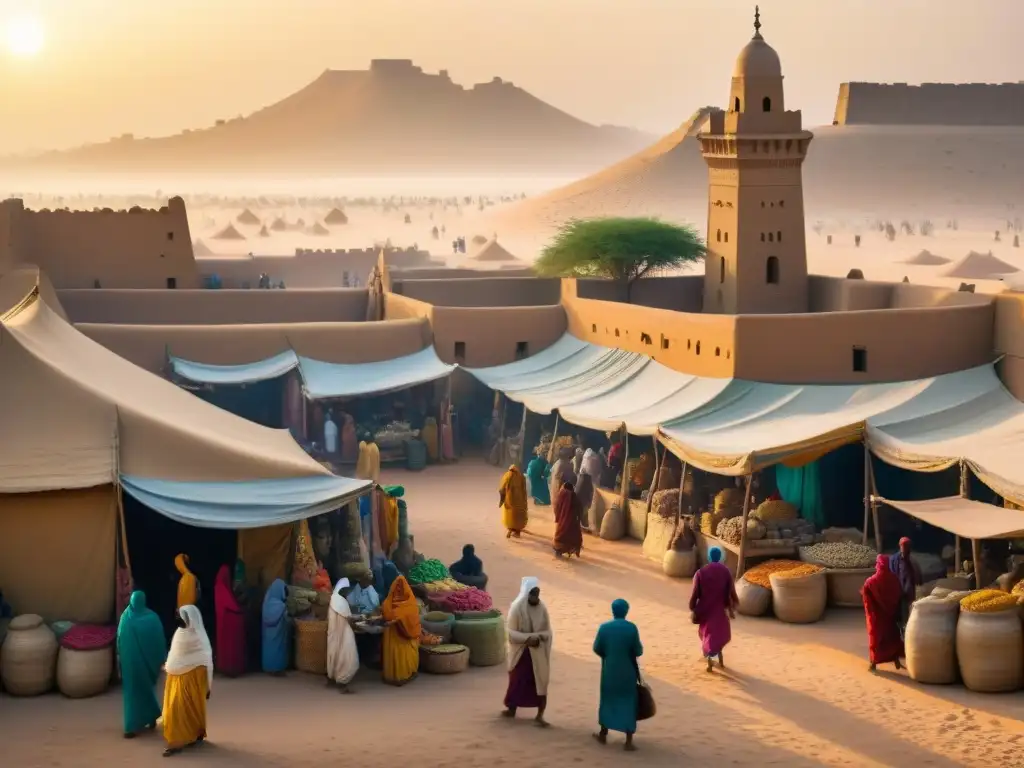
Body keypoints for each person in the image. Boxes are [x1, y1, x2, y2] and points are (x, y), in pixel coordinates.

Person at [593, 599, 644, 752]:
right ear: (626, 611)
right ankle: (628, 741)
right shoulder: (631, 628)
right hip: (627, 672)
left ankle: (603, 733)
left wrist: (607, 655)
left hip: (609, 671)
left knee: (607, 699)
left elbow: (597, 648)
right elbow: (638, 651)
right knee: (628, 702)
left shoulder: (604, 627)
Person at [162, 605, 213, 757]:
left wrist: (208, 687)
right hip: (176, 678)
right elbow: (173, 656)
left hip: (193, 679)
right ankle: (175, 742)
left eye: (182, 616)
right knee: (175, 710)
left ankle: (195, 734)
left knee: (193, 709)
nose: (179, 619)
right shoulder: (179, 633)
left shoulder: (199, 637)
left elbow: (207, 662)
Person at [117, 591, 167, 739]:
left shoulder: (125, 618)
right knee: (145, 689)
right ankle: (146, 719)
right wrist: (158, 659)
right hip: (146, 665)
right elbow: (158, 642)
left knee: (132, 693)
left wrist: (120, 658)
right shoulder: (151, 618)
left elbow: (119, 639)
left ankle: (132, 726)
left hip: (129, 664)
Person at [502, 577, 552, 726]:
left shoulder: (542, 608)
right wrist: (527, 639)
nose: (535, 598)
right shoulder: (517, 608)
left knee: (541, 683)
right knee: (517, 681)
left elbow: (548, 632)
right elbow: (510, 633)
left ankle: (540, 715)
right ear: (527, 593)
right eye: (533, 594)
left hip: (538, 653)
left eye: (537, 595)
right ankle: (511, 709)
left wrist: (539, 638)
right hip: (521, 653)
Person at [689, 546, 739, 672]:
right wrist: (732, 605)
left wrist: (693, 607)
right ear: (721, 557)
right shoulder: (726, 571)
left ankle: (709, 659)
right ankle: (718, 658)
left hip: (705, 610)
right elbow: (731, 591)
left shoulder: (701, 572)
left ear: (709, 557)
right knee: (719, 634)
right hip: (719, 610)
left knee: (707, 634)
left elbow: (695, 593)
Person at [863, 553, 904, 672]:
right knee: (892, 638)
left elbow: (866, 597)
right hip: (890, 617)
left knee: (876, 639)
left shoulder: (871, 581)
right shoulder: (895, 579)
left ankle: (873, 664)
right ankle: (895, 660)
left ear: (879, 564)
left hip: (877, 617)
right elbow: (899, 595)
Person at [380, 574, 420, 686]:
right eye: (397, 587)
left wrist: (394, 619)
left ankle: (393, 676)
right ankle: (402, 676)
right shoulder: (409, 603)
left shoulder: (407, 604)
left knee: (396, 654)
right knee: (402, 654)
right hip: (398, 635)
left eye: (400, 587)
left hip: (394, 634)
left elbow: (390, 613)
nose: (399, 589)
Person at [326, 578, 360, 693]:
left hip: (334, 633)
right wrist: (358, 623)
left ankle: (332, 677)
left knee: (334, 654)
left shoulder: (333, 599)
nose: (347, 592)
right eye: (345, 590)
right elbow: (348, 618)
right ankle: (342, 682)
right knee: (348, 657)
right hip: (344, 633)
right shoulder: (341, 601)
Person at [213, 565, 246, 677]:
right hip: (225, 621)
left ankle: (228, 667)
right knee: (229, 645)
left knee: (226, 644)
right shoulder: (221, 587)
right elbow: (230, 604)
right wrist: (239, 610)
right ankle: (229, 668)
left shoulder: (221, 586)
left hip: (224, 621)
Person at [888, 536, 922, 629]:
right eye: (903, 546)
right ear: (900, 546)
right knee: (897, 611)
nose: (905, 548)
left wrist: (918, 582)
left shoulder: (912, 560)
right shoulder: (894, 559)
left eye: (907, 546)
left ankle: (906, 628)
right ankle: (899, 629)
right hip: (898, 588)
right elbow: (891, 573)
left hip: (908, 590)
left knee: (907, 610)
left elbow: (917, 573)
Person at [261, 579, 291, 675]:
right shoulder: (281, 606)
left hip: (267, 635)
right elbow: (287, 618)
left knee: (269, 649)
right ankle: (277, 669)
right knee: (278, 650)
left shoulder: (266, 602)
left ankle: (268, 667)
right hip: (278, 635)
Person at [552, 482, 584, 558]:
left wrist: (558, 518)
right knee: (575, 537)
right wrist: (578, 520)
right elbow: (580, 510)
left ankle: (558, 551)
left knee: (559, 537)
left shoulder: (561, 495)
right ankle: (573, 550)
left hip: (562, 524)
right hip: (572, 523)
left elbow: (556, 508)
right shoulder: (574, 497)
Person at [499, 464, 529, 539]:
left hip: (510, 500)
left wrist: (502, 499)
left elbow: (502, 489)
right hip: (520, 501)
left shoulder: (507, 475)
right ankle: (517, 532)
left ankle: (510, 530)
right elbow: (524, 490)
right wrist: (525, 501)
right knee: (519, 517)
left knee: (510, 517)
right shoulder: (521, 476)